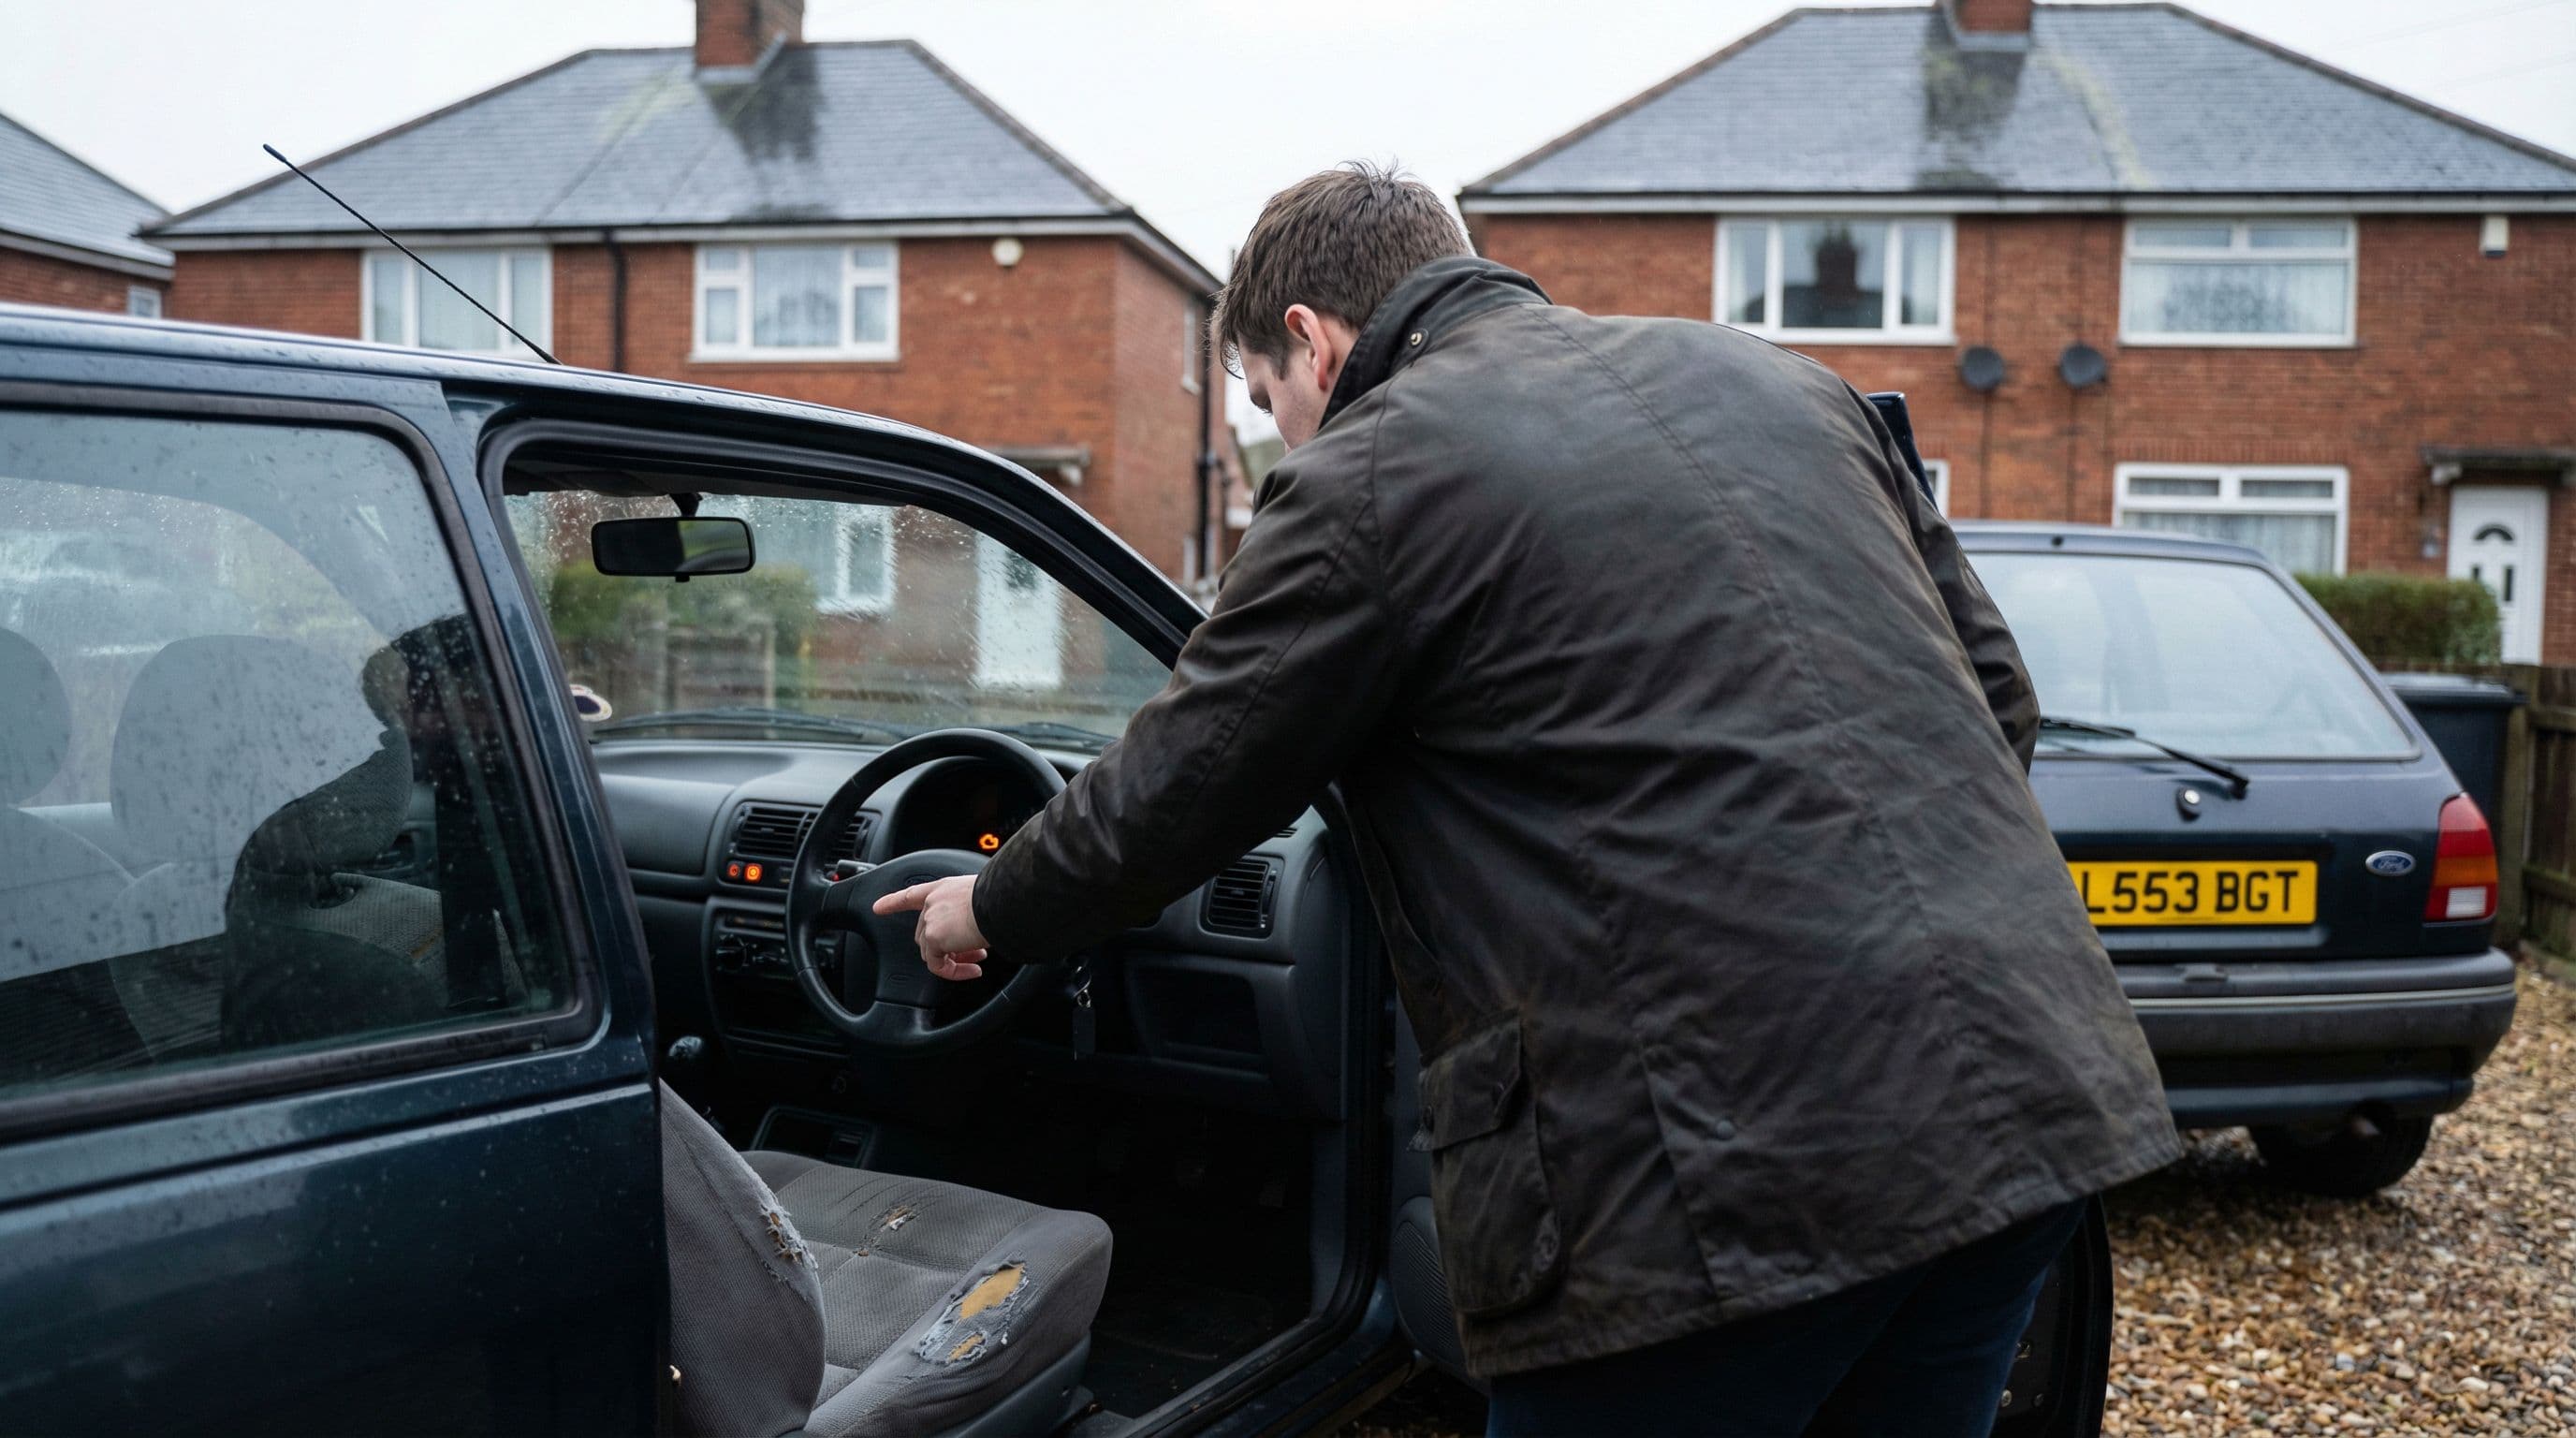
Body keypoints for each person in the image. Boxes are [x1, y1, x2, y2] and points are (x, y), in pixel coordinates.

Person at [875, 163, 2180, 1435]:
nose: (1278, 426)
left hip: (1727, 1186)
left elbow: (1180, 785)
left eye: (1267, 396)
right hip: (2031, 1088)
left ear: (1311, 341)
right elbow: (1997, 697)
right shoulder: (1788, 383)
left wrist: (986, 907)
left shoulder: (1368, 475)